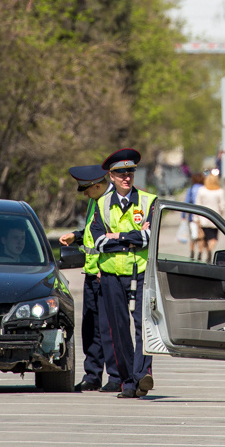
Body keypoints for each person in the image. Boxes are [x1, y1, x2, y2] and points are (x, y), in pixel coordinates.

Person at [93, 148, 158, 399]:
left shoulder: (148, 201)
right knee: (118, 330)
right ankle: (128, 382)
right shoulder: (101, 204)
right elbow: (97, 240)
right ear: (111, 176)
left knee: (144, 326)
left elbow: (150, 237)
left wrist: (116, 236)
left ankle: (142, 376)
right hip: (111, 275)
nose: (126, 177)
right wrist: (132, 237)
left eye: (130, 171)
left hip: (140, 273)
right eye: (120, 173)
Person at [57, 164, 121, 392]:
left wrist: (107, 269)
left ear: (97, 185)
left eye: (86, 189)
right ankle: (92, 375)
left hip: (108, 273)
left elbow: (115, 237)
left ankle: (116, 377)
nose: (84, 194)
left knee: (109, 329)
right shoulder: (96, 201)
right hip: (92, 273)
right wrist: (76, 236)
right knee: (91, 327)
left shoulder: (114, 201)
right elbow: (94, 233)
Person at [193, 169, 225, 262]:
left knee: (202, 237)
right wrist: (221, 213)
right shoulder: (220, 191)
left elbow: (197, 204)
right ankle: (210, 250)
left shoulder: (202, 190)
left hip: (202, 218)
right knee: (213, 238)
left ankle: (200, 252)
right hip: (215, 218)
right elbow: (223, 206)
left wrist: (196, 218)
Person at [184, 172, 206, 260]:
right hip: (202, 215)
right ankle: (200, 252)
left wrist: (183, 215)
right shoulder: (204, 189)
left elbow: (186, 202)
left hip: (192, 215)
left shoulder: (191, 189)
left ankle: (192, 252)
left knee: (193, 235)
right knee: (201, 235)